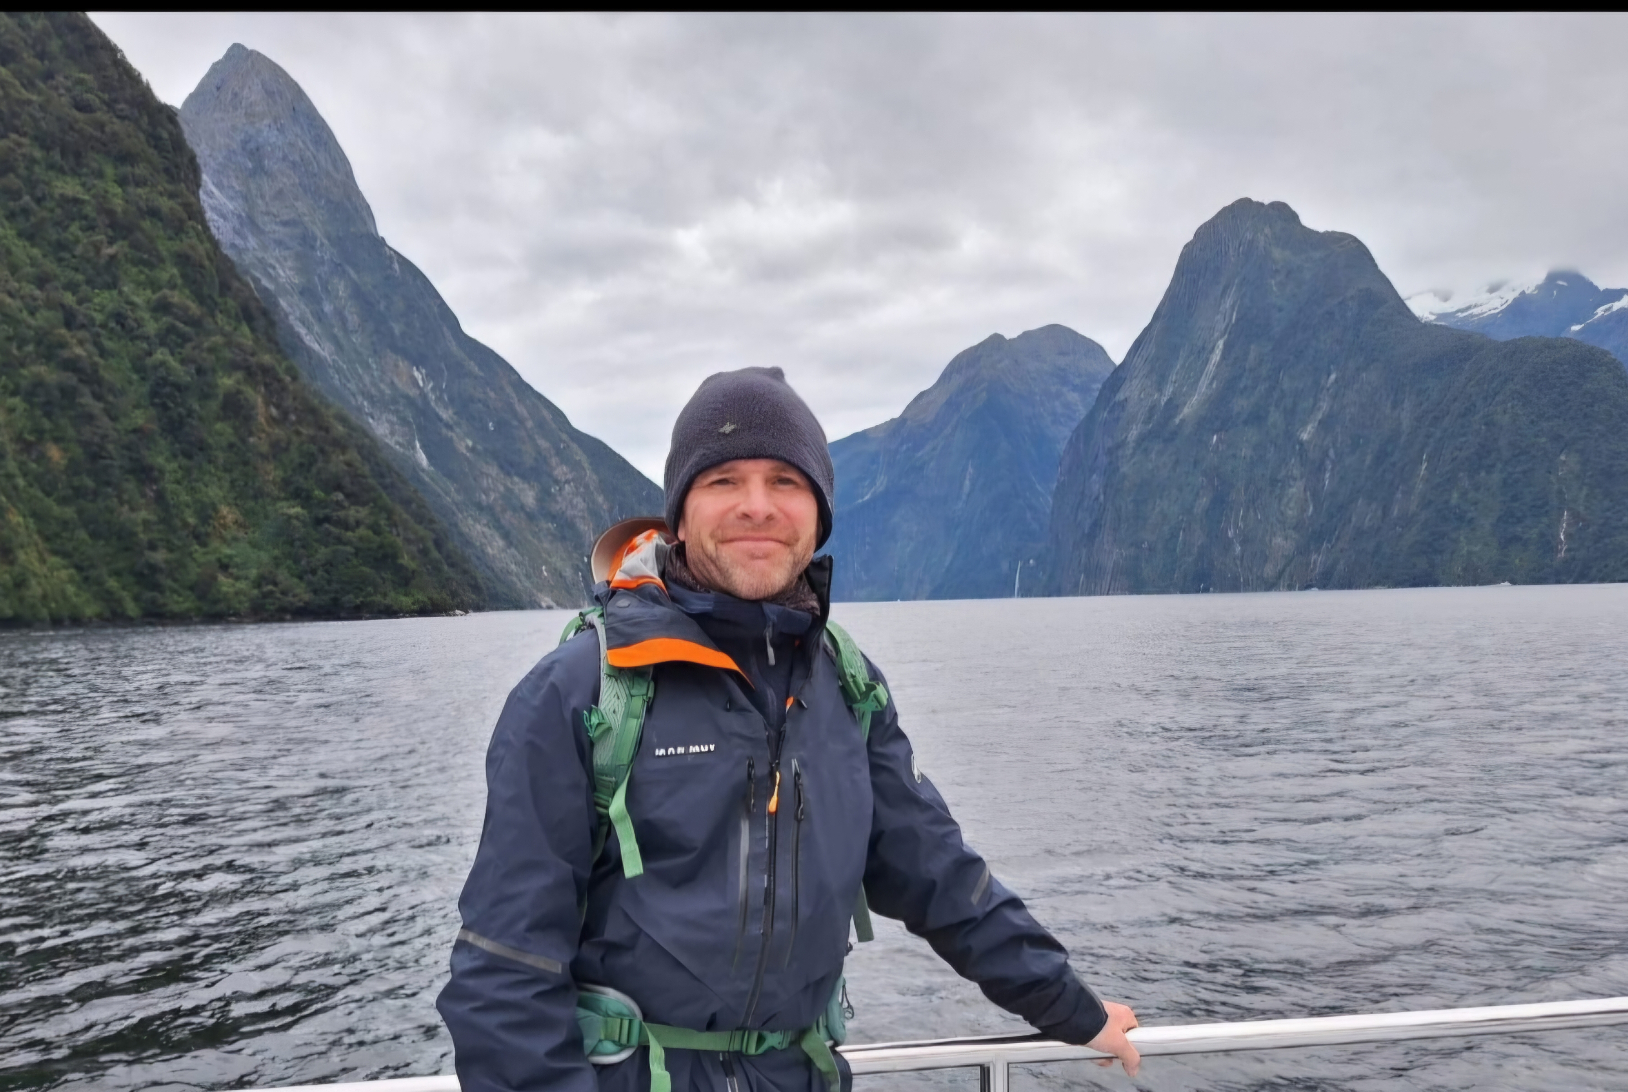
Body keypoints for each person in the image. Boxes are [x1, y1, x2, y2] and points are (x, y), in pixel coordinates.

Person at [439, 367, 1140, 1092]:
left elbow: (937, 873)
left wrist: (1069, 1006)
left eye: (784, 481)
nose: (756, 507)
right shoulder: (583, 691)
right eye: (722, 481)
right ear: (679, 514)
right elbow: (504, 972)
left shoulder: (846, 685)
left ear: (818, 512)